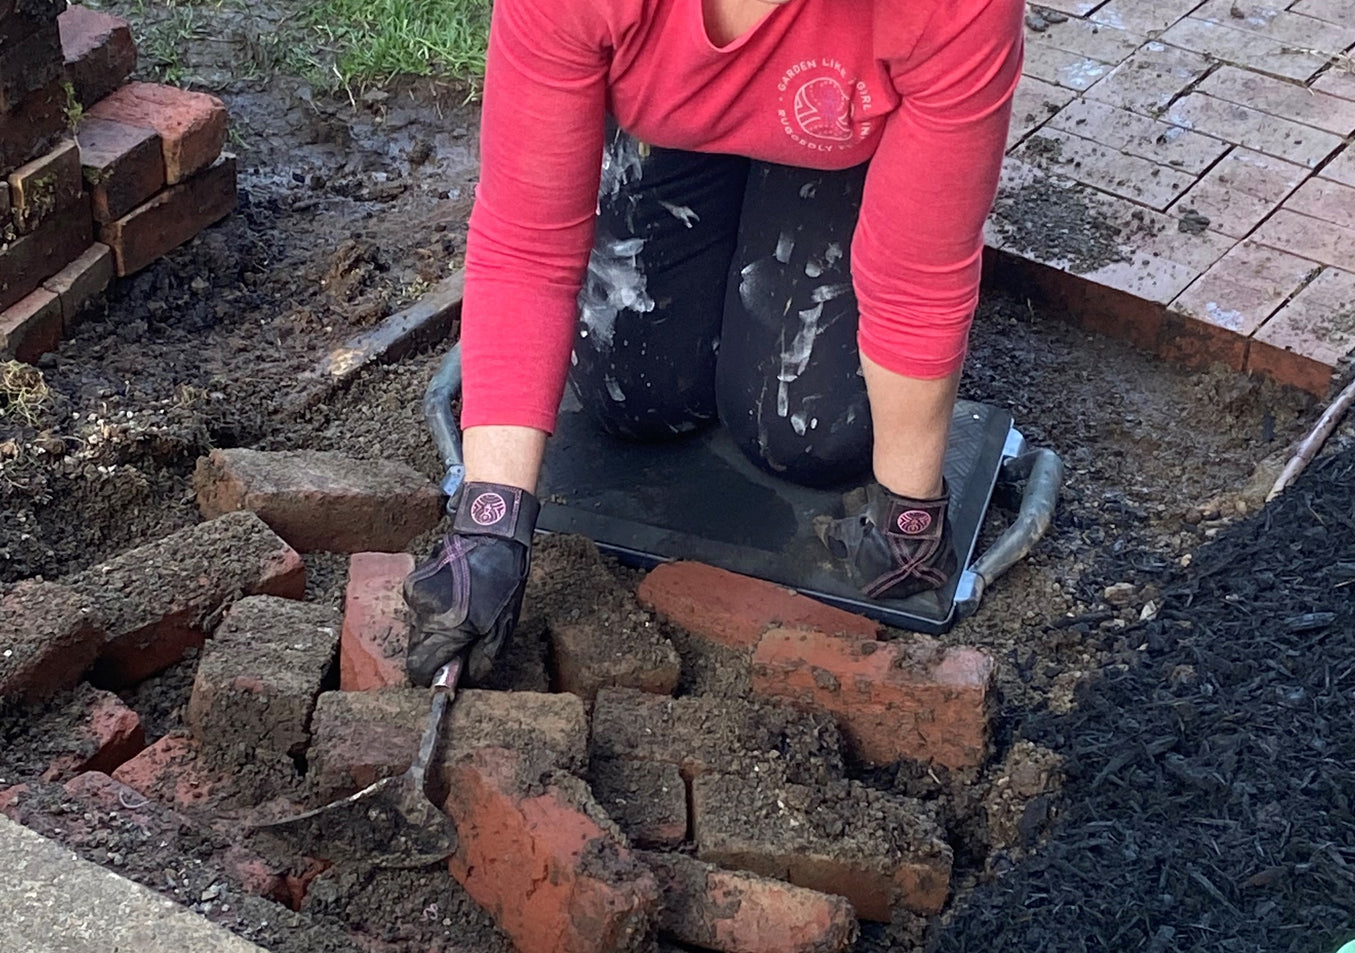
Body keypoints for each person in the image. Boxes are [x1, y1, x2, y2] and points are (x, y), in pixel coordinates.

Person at [404, 0, 1025, 685]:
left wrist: (909, 515)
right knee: (634, 395)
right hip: (667, 119)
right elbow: (527, 244)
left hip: (834, 137)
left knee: (810, 436)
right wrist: (489, 526)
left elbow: (918, 279)